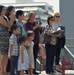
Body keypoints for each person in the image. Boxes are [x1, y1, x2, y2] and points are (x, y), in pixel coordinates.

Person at [0, 5, 15, 75]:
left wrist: (11, 20)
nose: (5, 11)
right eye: (3, 9)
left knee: (6, 54)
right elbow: (7, 25)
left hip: (7, 36)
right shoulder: (0, 18)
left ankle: (4, 70)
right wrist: (11, 19)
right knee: (3, 54)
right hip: (2, 37)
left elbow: (9, 27)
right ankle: (2, 70)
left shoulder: (5, 17)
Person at [5, 6, 15, 73]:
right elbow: (9, 28)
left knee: (12, 54)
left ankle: (11, 70)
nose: (14, 12)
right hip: (8, 37)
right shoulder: (6, 18)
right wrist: (11, 19)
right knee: (8, 53)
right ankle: (7, 70)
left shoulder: (13, 19)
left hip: (13, 36)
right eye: (13, 10)